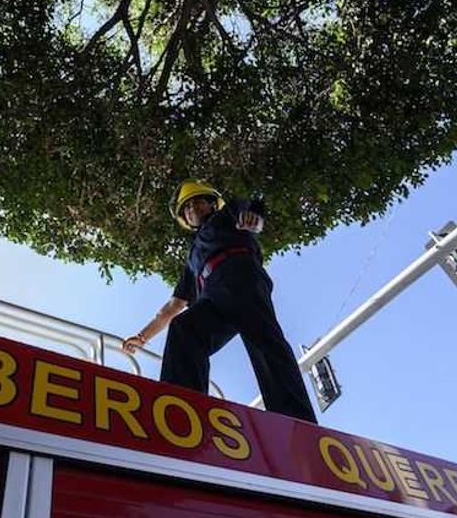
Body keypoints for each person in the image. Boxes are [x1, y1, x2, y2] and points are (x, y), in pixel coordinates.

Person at [122, 180, 317, 424]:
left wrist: (253, 220)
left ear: (213, 204)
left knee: (264, 343)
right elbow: (172, 307)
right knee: (185, 329)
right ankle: (180, 412)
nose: (192, 208)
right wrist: (142, 337)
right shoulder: (192, 259)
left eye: (198, 201)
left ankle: (297, 421)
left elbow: (249, 209)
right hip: (212, 294)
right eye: (186, 208)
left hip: (241, 275)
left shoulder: (225, 216)